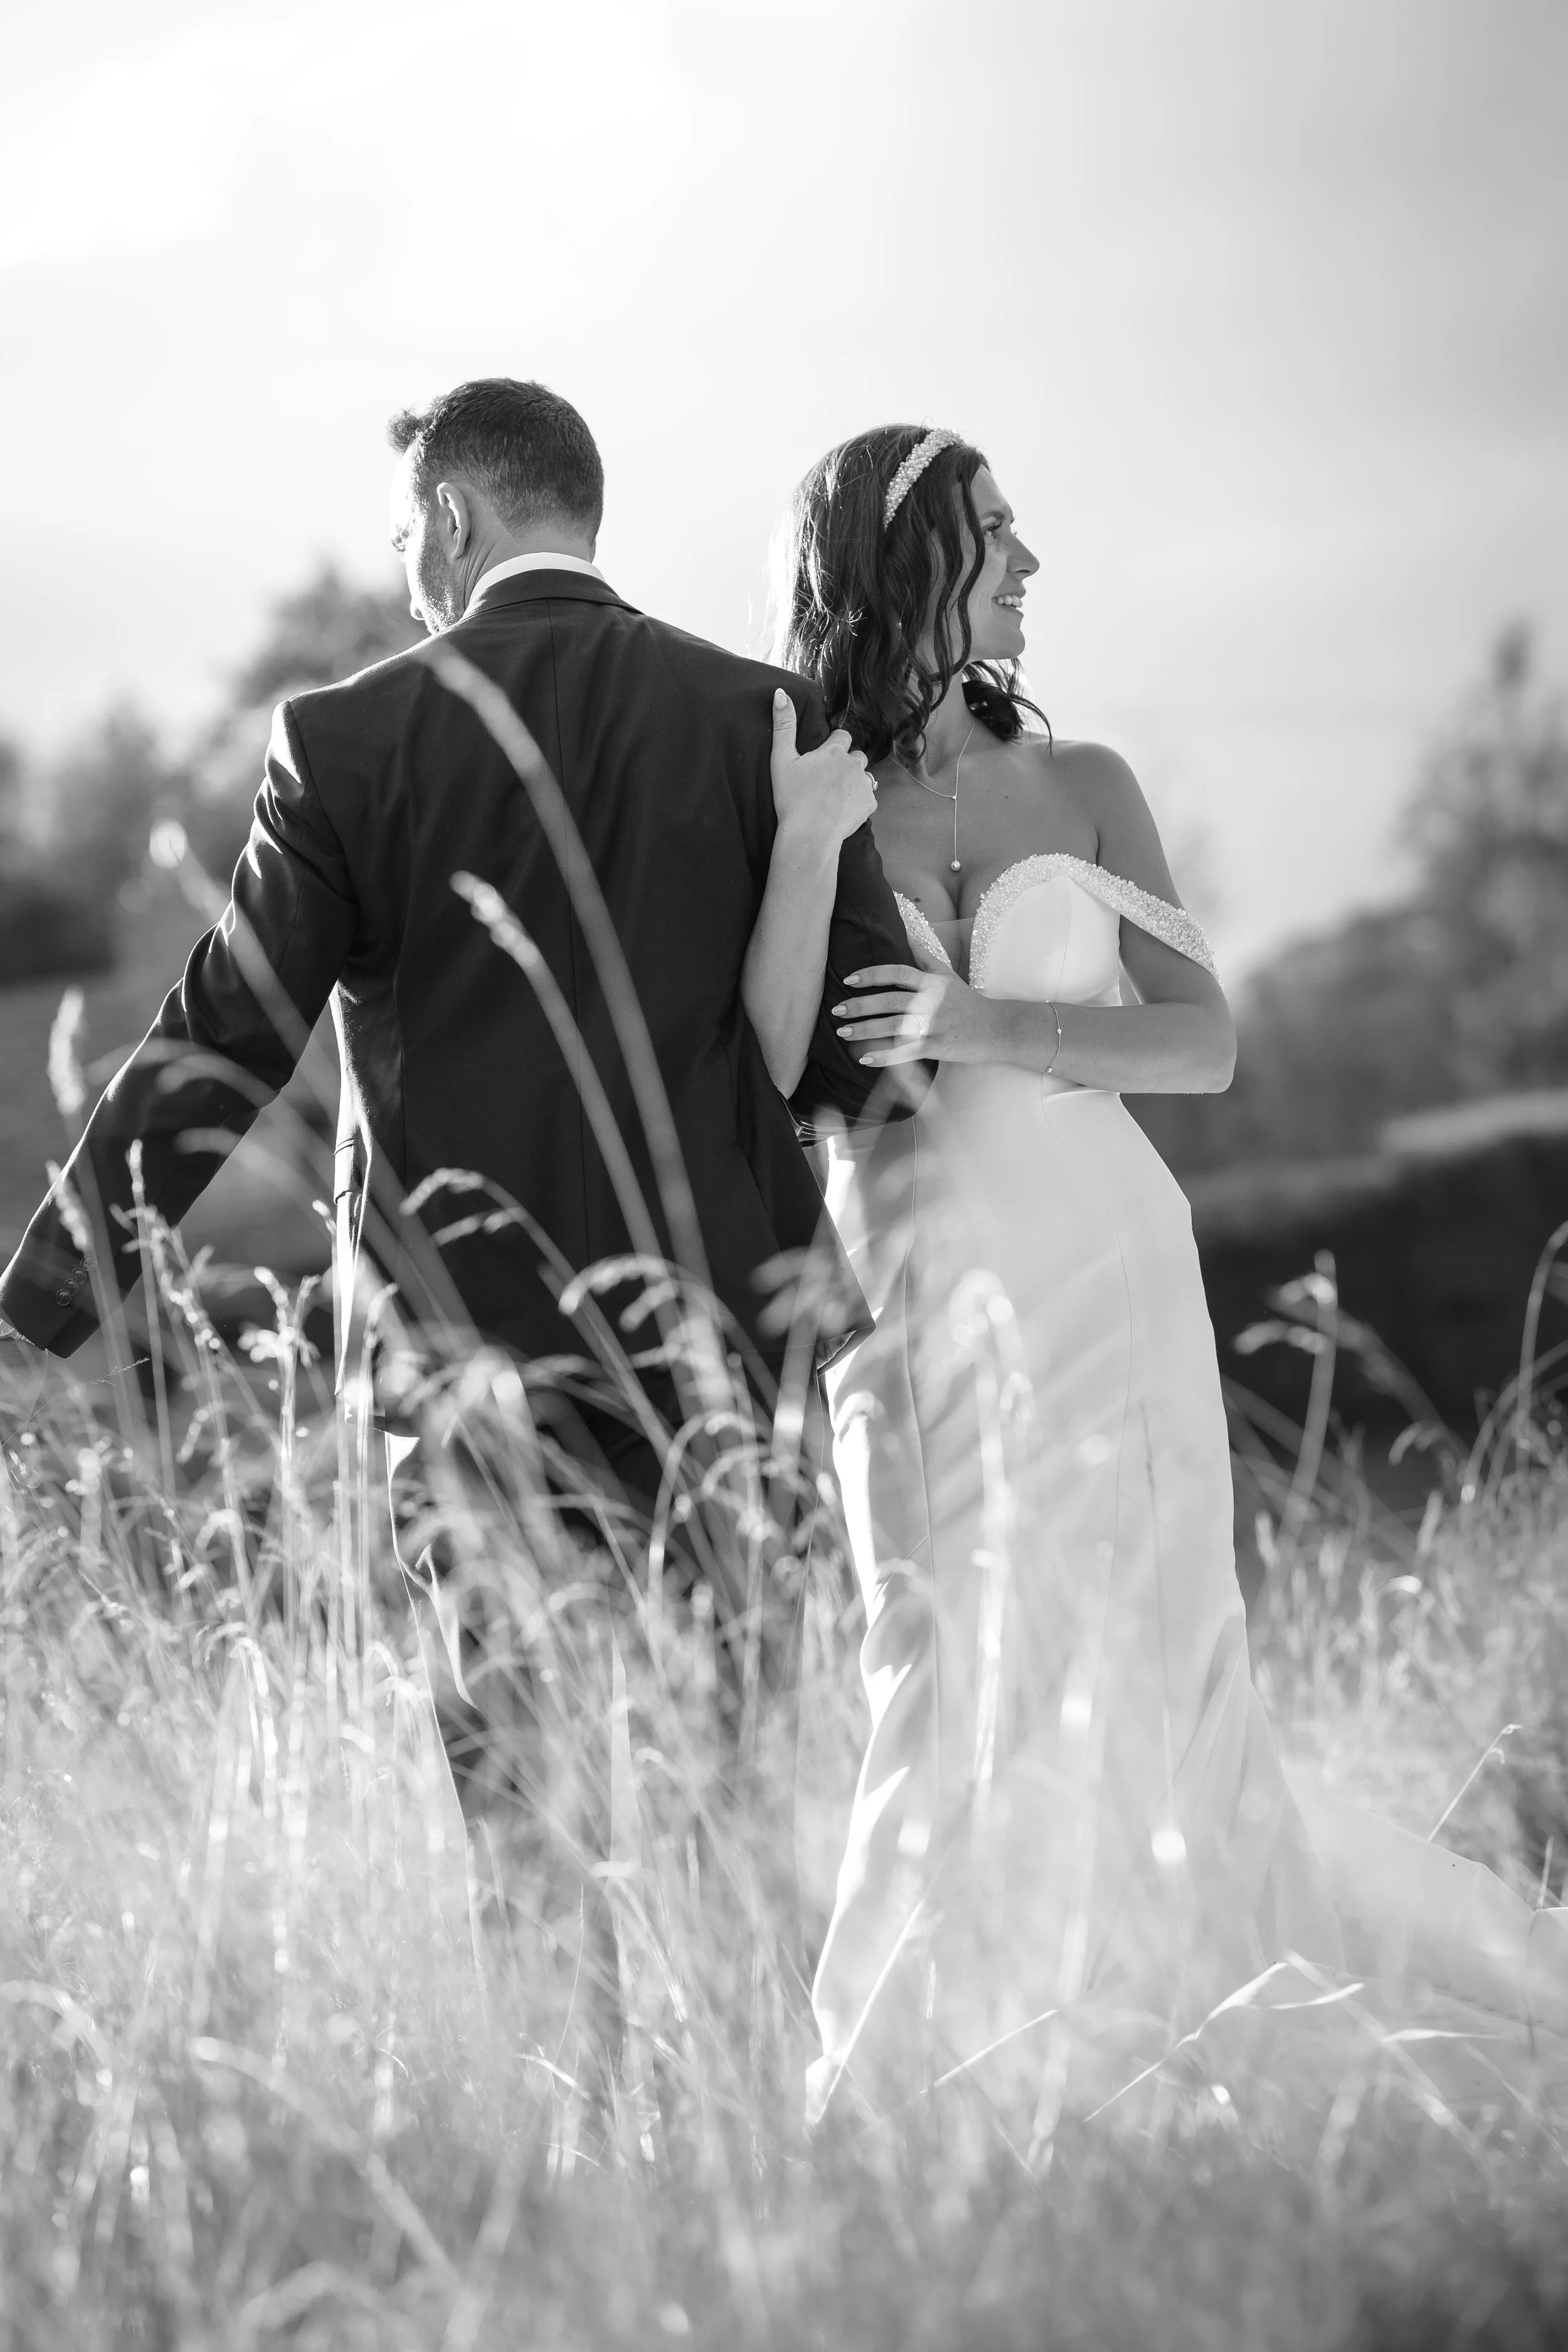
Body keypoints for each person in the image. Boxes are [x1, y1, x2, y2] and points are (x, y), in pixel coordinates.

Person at [761, 422, 1568, 2118]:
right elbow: (769, 1060)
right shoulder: (789, 784)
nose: (1035, 565)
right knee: (934, 1655)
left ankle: (1136, 2052)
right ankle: (896, 2086)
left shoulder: (1090, 783)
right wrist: (790, 849)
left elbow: (1199, 1041)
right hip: (902, 1297)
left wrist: (983, 1020)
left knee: (1149, 1685)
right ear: (903, 564)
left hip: (1106, 1268)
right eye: (996, 535)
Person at [0, 379, 914, 1523]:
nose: (407, 577)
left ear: (450, 518)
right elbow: (871, 1066)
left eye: (400, 539)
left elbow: (228, 1033)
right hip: (729, 1329)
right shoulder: (767, 716)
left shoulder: (342, 742)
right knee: (736, 1699)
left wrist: (44, 1297)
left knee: (506, 1701)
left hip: (457, 1341)